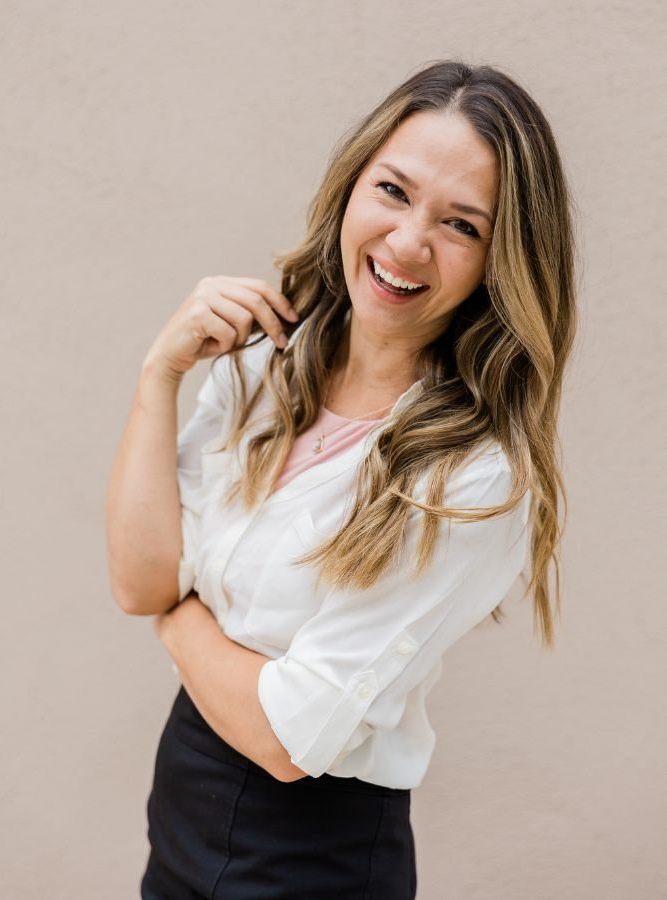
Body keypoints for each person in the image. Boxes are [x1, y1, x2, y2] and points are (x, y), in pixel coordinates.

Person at [106, 58, 577, 899]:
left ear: (499, 262)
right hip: (182, 802)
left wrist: (183, 625)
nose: (407, 244)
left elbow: (288, 739)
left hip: (310, 859)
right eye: (393, 192)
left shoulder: (473, 476)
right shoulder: (263, 356)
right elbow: (140, 581)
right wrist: (159, 375)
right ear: (352, 186)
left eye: (461, 226)